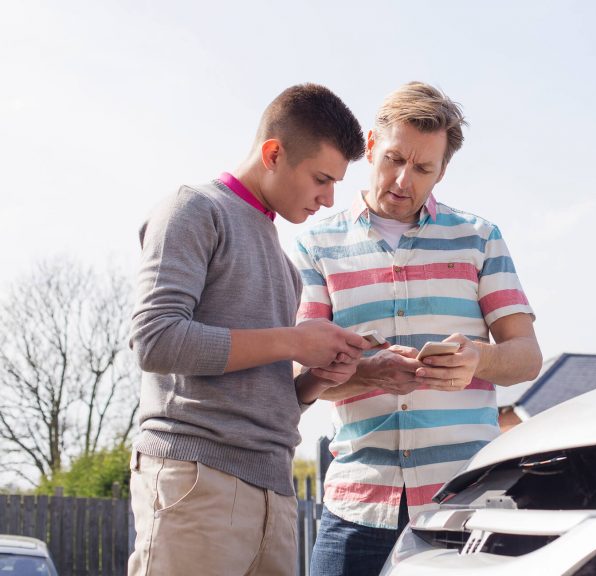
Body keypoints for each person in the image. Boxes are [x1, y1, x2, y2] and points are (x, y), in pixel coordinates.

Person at [293, 82, 543, 575]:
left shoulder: (480, 238)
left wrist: (479, 357)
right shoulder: (315, 245)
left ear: (443, 170)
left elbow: (526, 357)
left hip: (463, 503)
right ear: (369, 146)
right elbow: (306, 376)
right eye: (393, 159)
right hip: (358, 503)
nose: (403, 180)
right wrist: (371, 373)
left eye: (424, 168)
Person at [128, 83, 372, 576]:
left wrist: (314, 381)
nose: (328, 199)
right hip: (198, 483)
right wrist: (296, 341)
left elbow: (260, 389)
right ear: (274, 153)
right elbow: (156, 339)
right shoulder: (193, 209)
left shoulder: (284, 264)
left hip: (276, 494)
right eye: (322, 179)